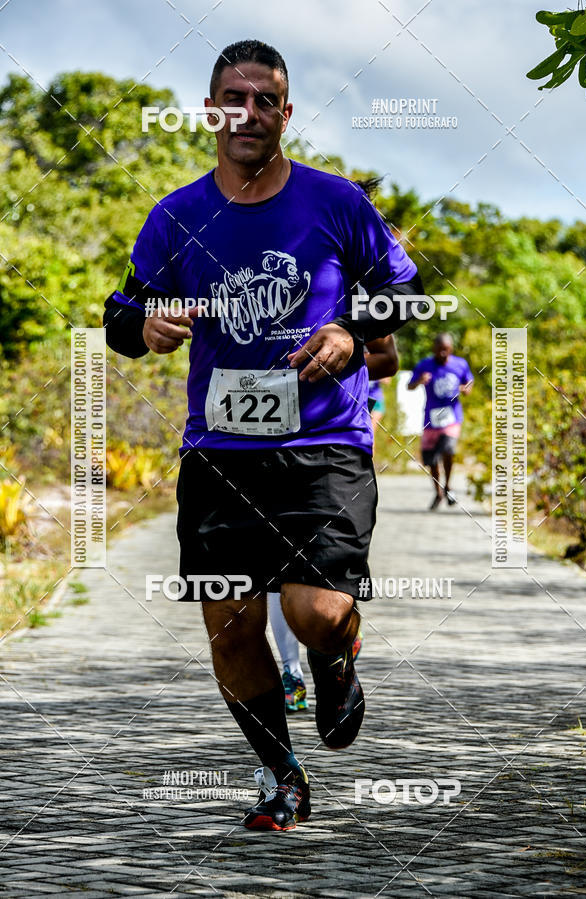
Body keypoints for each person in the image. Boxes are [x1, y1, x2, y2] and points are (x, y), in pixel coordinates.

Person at [103, 39, 424, 832]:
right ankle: (282, 776)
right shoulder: (176, 214)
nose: (249, 114)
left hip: (324, 444)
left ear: (286, 112)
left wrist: (351, 329)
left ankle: (335, 661)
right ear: (211, 110)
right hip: (218, 451)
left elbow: (407, 296)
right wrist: (145, 325)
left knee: (316, 613)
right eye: (233, 100)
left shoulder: (337, 202)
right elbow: (120, 312)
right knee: (232, 626)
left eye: (266, 101)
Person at [269, 335, 398, 713]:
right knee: (276, 577)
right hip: (252, 448)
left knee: (318, 592)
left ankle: (330, 647)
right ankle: (291, 673)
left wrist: (327, 364)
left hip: (329, 453)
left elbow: (386, 361)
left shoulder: (352, 282)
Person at [407, 333, 473, 509]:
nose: (443, 353)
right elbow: (409, 385)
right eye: (440, 349)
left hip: (452, 416)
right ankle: (438, 492)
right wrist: (420, 381)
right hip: (431, 418)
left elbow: (469, 381)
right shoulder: (425, 365)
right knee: (432, 458)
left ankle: (449, 484)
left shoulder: (460, 364)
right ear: (434, 349)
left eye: (446, 349)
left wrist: (466, 388)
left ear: (451, 349)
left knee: (448, 448)